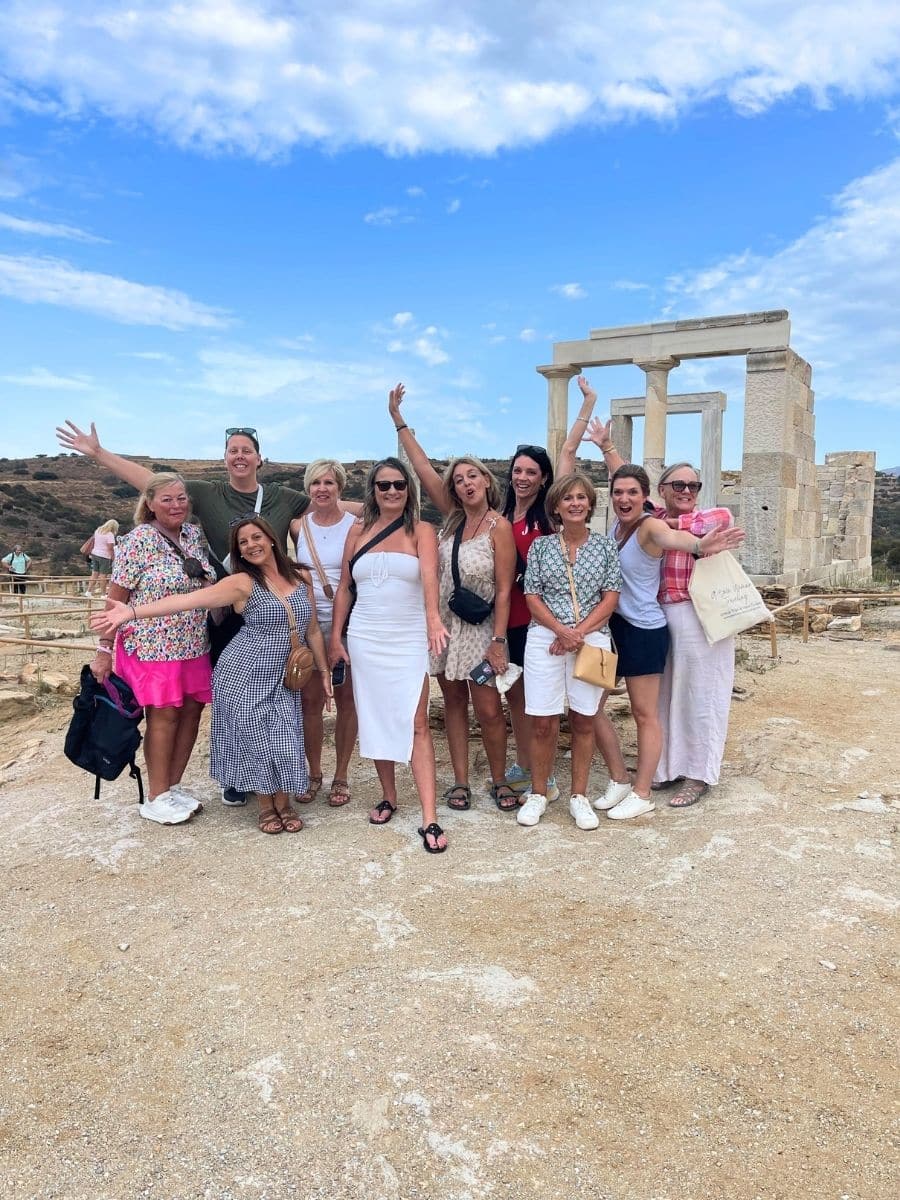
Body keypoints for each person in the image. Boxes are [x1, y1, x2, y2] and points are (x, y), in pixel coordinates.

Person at [56, 419, 358, 807]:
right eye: (233, 449)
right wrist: (100, 454)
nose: (240, 455)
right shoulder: (205, 492)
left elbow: (330, 504)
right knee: (235, 698)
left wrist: (388, 509)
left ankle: (277, 774)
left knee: (271, 696)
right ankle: (235, 776)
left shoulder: (283, 497)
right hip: (225, 606)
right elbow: (155, 485)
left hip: (267, 604)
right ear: (225, 457)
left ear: (259, 458)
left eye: (247, 449)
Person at [93, 515, 332, 836]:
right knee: (257, 740)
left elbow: (313, 629)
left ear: (272, 539)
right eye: (243, 543)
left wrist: (325, 671)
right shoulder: (242, 583)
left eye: (256, 537)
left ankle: (284, 801)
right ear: (239, 553)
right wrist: (130, 612)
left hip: (283, 674)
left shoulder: (301, 576)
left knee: (286, 738)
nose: (251, 545)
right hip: (243, 673)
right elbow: (186, 600)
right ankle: (267, 806)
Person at [588, 414, 742, 809]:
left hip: (700, 614)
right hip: (659, 614)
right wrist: (607, 447)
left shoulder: (705, 517)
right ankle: (665, 768)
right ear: (662, 489)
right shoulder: (648, 516)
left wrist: (688, 534)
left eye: (693, 485)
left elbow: (695, 529)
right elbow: (628, 485)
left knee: (700, 695)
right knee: (663, 701)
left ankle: (698, 773)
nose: (687, 489)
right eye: (679, 484)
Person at [388, 383, 518, 812]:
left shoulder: (500, 527)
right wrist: (399, 421)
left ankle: (499, 779)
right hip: (446, 628)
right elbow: (422, 466)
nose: (465, 484)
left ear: (485, 479)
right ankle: (461, 781)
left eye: (472, 476)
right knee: (455, 707)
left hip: (481, 633)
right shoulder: (452, 520)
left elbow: (504, 589)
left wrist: (499, 642)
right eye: (458, 480)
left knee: (489, 709)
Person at [329, 457, 450, 854]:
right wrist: (336, 637)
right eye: (384, 486)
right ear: (373, 491)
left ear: (409, 490)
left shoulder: (422, 531)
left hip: (408, 636)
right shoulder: (358, 531)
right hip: (366, 635)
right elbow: (346, 587)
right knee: (376, 717)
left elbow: (430, 576)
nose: (392, 491)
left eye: (399, 484)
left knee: (416, 723)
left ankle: (429, 816)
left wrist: (433, 619)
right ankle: (389, 795)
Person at [89, 474, 216, 826]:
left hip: (193, 643)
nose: (176, 505)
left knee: (191, 713)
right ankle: (157, 795)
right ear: (150, 503)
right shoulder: (137, 541)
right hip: (152, 646)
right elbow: (114, 600)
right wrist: (103, 650)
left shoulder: (192, 536)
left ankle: (172, 786)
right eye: (167, 500)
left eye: (181, 498)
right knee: (164, 717)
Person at [500, 375, 600, 802]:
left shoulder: (548, 516)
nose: (523, 477)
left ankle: (548, 779)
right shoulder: (502, 512)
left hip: (545, 619)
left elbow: (567, 452)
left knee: (547, 703)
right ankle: (528, 765)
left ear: (544, 480)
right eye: (517, 470)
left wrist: (588, 403)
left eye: (531, 472)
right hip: (511, 615)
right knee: (519, 698)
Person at [518, 471, 622, 831]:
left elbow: (610, 597)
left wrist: (577, 634)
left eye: (581, 497)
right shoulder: (541, 547)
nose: (575, 503)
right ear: (557, 507)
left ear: (590, 504)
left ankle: (579, 796)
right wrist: (562, 631)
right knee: (543, 721)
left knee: (583, 718)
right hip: (545, 638)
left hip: (591, 638)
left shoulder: (606, 546)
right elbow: (532, 596)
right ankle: (539, 792)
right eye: (568, 498)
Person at [289, 459, 359, 807]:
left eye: (329, 482)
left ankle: (341, 774)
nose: (322, 489)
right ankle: (313, 772)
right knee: (311, 701)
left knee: (347, 702)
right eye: (315, 482)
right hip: (306, 624)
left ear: (340, 487)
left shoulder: (356, 525)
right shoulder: (298, 527)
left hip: (347, 623)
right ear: (307, 488)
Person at [84, 519, 119, 595]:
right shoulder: (110, 535)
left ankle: (88, 591)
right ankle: (103, 594)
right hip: (104, 556)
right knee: (103, 576)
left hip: (95, 554)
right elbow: (110, 549)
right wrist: (114, 559)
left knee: (94, 574)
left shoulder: (98, 531)